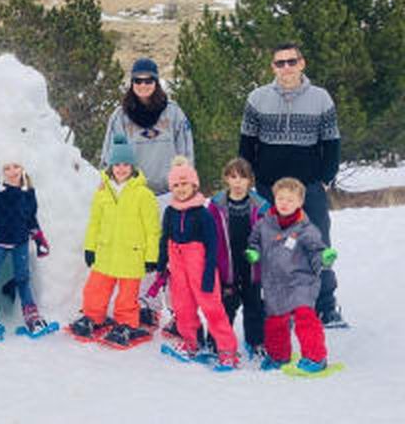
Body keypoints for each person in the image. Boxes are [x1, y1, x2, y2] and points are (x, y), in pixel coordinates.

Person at [239, 42, 344, 328]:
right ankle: (273, 307)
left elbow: (331, 143)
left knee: (317, 242)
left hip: (308, 186)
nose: (286, 67)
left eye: (291, 61)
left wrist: (324, 180)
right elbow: (247, 145)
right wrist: (249, 183)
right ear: (273, 67)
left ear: (302, 63)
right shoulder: (257, 98)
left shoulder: (321, 98)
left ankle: (325, 304)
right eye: (279, 63)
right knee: (268, 246)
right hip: (267, 187)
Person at [100, 57, 193, 331]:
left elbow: (186, 152)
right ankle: (144, 306)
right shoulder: (120, 116)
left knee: (172, 255)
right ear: (132, 83)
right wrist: (110, 183)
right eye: (138, 80)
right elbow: (111, 156)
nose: (143, 85)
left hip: (168, 194)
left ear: (156, 81)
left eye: (148, 80)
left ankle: (177, 311)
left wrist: (185, 187)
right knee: (140, 252)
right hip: (135, 194)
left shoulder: (173, 114)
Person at [69, 135, 160, 347]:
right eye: (117, 164)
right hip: (106, 251)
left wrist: (151, 257)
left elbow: (152, 229)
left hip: (132, 253)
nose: (121, 169)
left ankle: (127, 323)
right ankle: (93, 317)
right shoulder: (102, 192)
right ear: (111, 166)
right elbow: (95, 223)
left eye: (126, 164)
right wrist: (90, 247)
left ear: (132, 167)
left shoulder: (144, 194)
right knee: (96, 289)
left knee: (128, 295)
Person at [246, 177, 337, 373]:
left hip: (301, 281)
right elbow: (254, 241)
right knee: (275, 322)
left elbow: (316, 250)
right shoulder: (264, 225)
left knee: (305, 316)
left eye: (290, 199)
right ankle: (279, 356)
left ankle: (315, 357)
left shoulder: (305, 229)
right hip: (274, 283)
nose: (284, 203)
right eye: (280, 199)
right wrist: (254, 252)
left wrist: (324, 258)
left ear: (299, 202)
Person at [157, 157, 239, 371]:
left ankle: (227, 351)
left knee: (211, 306)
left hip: (200, 264)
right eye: (176, 185)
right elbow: (164, 236)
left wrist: (210, 272)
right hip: (177, 263)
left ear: (194, 185)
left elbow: (213, 244)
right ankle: (192, 343)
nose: (180, 189)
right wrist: (161, 264)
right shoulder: (170, 211)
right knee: (183, 306)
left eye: (184, 184)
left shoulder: (203, 213)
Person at [0, 157, 51, 339]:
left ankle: (31, 314)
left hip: (20, 241)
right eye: (7, 168)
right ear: (3, 172)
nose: (12, 172)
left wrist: (38, 237)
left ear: (23, 168)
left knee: (23, 276)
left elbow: (31, 217)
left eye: (16, 166)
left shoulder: (29, 192)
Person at [207, 157, 270, 357]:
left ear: (250, 180)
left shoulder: (260, 205)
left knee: (254, 306)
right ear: (226, 178)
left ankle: (256, 341)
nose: (238, 182)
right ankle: (217, 342)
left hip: (252, 265)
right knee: (226, 306)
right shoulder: (216, 205)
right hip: (227, 264)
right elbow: (209, 233)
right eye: (233, 177)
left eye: (243, 177)